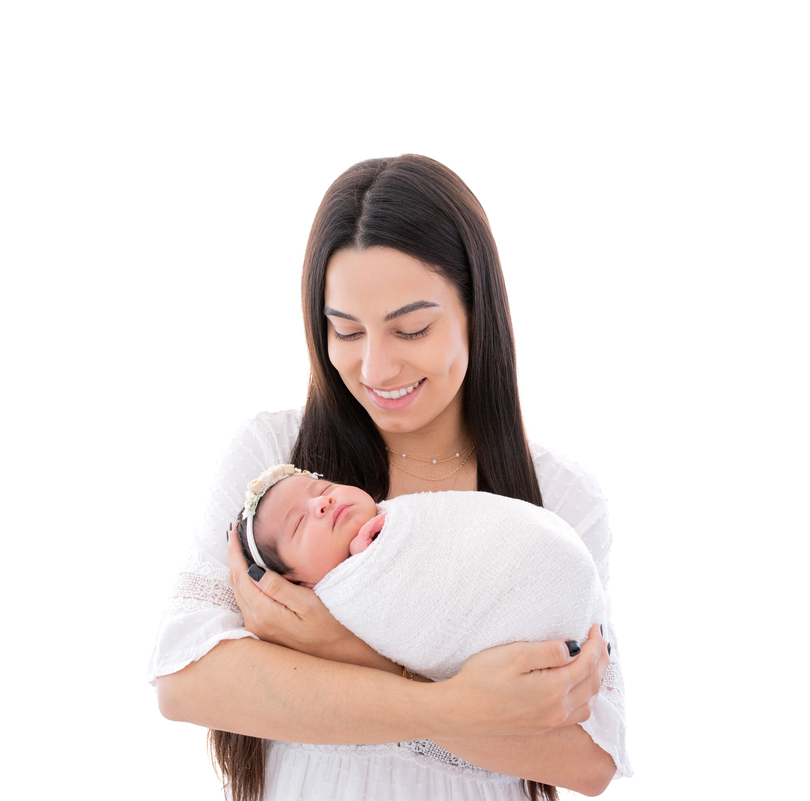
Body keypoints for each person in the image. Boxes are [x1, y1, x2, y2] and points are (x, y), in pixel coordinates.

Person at [149, 155, 631, 800]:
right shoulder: (274, 459)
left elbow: (588, 760)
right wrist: (457, 704)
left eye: (412, 329)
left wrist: (344, 650)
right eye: (346, 331)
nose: (376, 369)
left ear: (477, 311)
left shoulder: (557, 497)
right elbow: (187, 680)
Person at [233, 464, 613, 691]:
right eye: (299, 524)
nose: (322, 502)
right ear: (299, 585)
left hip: (544, 572)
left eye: (324, 489)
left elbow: (470, 534)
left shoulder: (403, 517)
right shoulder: (344, 598)